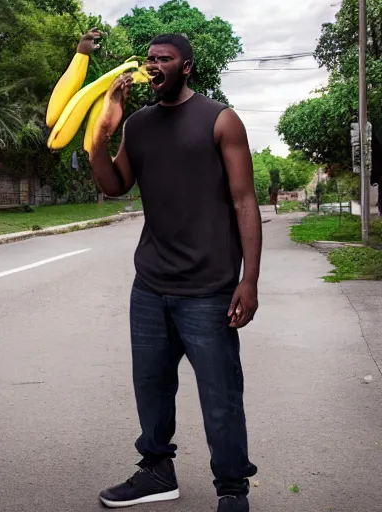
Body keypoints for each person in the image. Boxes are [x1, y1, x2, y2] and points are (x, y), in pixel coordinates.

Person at [88, 33, 261, 512]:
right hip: (150, 286)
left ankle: (232, 489)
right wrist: (100, 135)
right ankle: (157, 471)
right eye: (150, 59)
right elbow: (116, 184)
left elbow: (245, 201)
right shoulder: (139, 125)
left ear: (186, 67)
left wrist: (249, 279)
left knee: (221, 396)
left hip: (209, 289)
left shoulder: (219, 120)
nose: (153, 65)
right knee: (152, 387)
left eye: (164, 59)